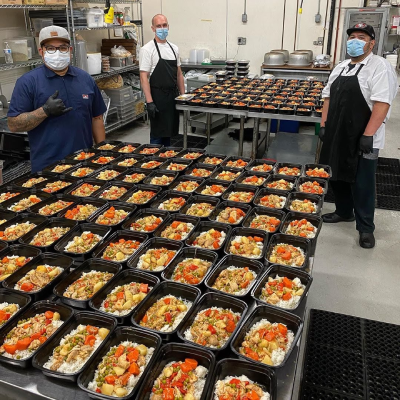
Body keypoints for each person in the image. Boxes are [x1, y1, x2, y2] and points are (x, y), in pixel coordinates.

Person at [319, 23, 398, 249]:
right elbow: (327, 98)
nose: (355, 41)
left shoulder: (380, 67)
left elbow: (382, 103)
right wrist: (324, 125)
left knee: (363, 182)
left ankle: (365, 228)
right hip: (338, 132)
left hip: (365, 135)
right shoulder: (341, 67)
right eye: (352, 36)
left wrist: (368, 135)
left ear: (371, 43)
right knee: (337, 175)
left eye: (361, 37)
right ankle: (344, 212)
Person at [7, 25, 106, 173]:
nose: (57, 53)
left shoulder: (85, 79)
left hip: (85, 162)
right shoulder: (28, 82)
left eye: (63, 48)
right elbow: (13, 125)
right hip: (47, 167)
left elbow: (97, 118)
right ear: (41, 51)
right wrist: (44, 111)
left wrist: (103, 153)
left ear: (70, 51)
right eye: (51, 48)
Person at [139, 14, 185, 146]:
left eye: (164, 25)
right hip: (157, 98)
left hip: (172, 97)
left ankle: (167, 159)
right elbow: (144, 77)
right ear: (153, 28)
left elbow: (179, 74)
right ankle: (154, 161)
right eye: (158, 26)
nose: (162, 28)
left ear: (168, 26)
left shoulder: (174, 48)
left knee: (169, 132)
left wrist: (183, 96)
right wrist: (149, 102)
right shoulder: (147, 49)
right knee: (157, 135)